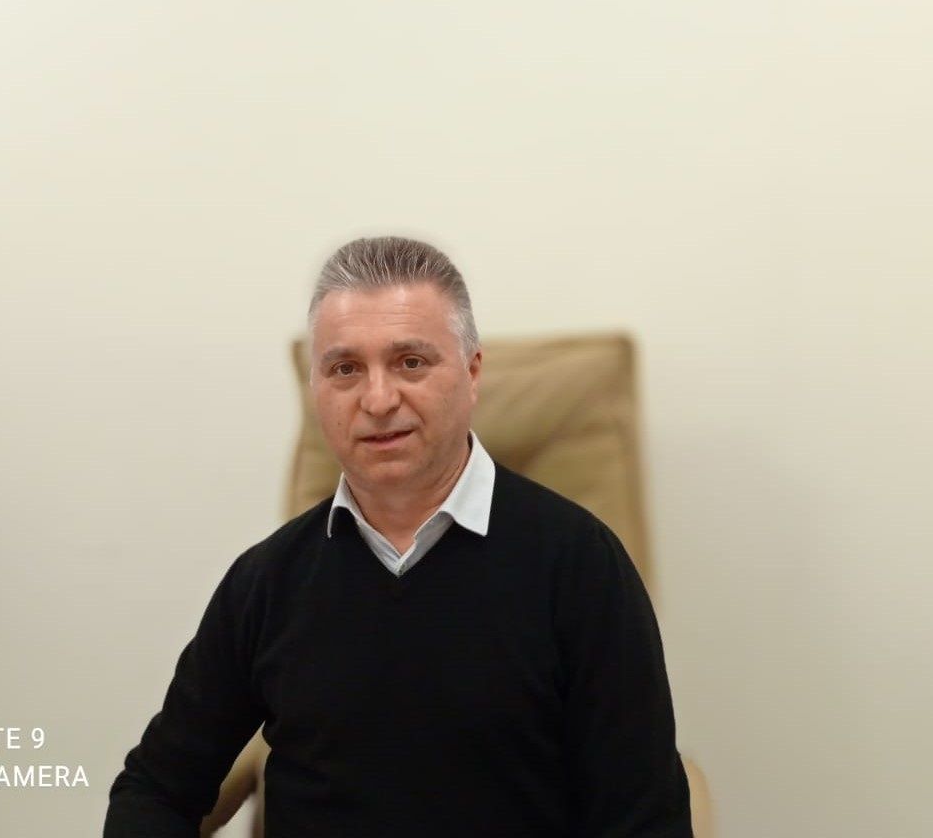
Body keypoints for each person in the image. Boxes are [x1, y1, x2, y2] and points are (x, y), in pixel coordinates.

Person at [104, 236, 693, 837]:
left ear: (472, 373)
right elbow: (155, 789)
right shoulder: (266, 582)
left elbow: (645, 819)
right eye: (345, 369)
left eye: (410, 362)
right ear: (315, 390)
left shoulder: (581, 566)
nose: (379, 400)